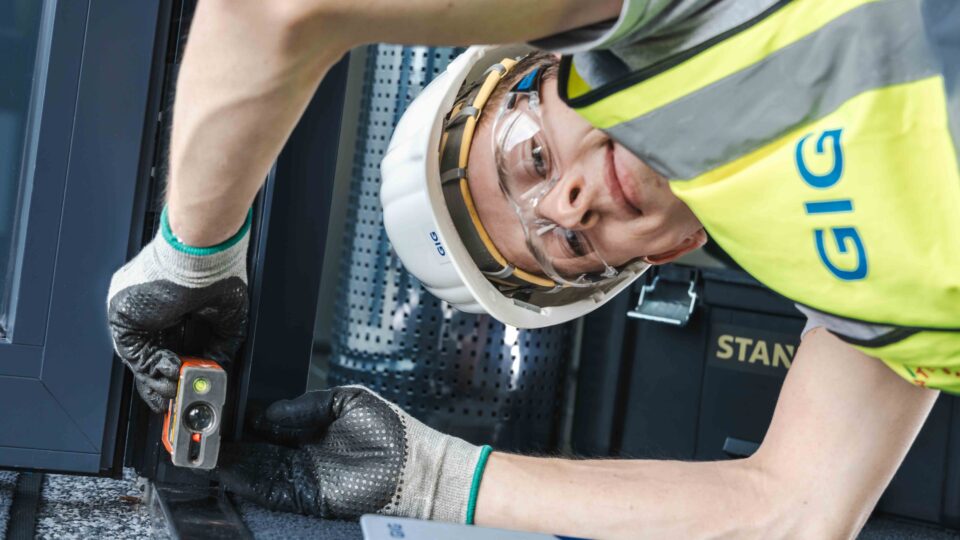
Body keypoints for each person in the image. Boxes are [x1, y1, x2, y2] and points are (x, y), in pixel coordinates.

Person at [105, 0, 959, 537]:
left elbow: (280, 10)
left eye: (530, 157)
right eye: (567, 247)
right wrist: (432, 478)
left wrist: (194, 258)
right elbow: (793, 514)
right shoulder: (847, 307)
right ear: (650, 258)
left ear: (545, 67)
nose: (567, 206)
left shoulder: (670, 27)